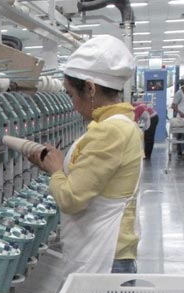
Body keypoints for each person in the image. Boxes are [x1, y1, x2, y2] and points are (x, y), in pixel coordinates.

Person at [28, 35, 142, 274]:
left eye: (71, 94)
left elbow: (71, 199)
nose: (72, 104)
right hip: (103, 252)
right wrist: (53, 165)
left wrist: (56, 170)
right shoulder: (115, 125)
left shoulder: (111, 131)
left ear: (90, 88)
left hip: (105, 256)